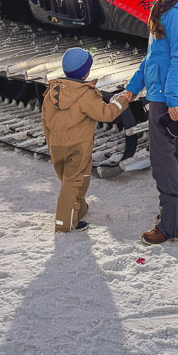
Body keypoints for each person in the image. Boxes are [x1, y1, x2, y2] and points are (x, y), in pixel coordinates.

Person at [124, 0, 178, 245]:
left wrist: (172, 101)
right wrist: (133, 88)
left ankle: (170, 225)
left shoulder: (176, 16)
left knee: (162, 160)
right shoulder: (166, 8)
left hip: (166, 98)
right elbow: (154, 57)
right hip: (164, 92)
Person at [42, 47, 129, 233]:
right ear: (86, 72)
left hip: (57, 145)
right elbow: (106, 114)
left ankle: (78, 209)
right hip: (77, 146)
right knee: (73, 182)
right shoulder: (85, 94)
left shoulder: (52, 92)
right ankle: (64, 223)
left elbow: (45, 120)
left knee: (72, 179)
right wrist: (122, 101)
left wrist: (51, 142)